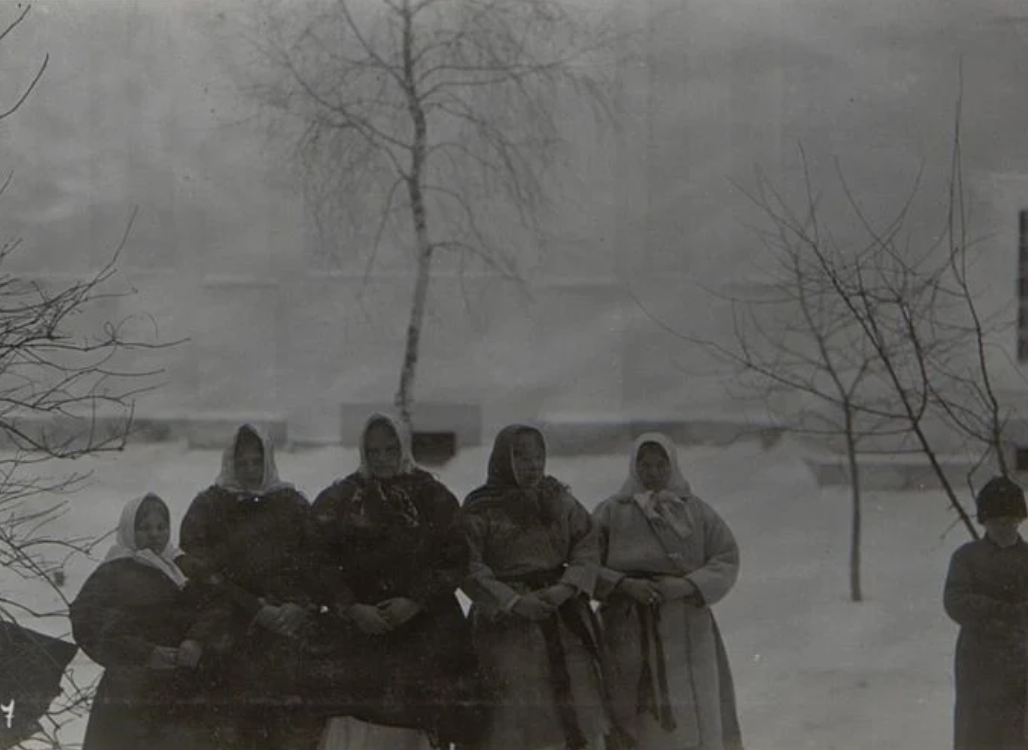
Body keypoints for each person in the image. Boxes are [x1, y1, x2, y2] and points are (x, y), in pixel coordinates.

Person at [308, 413, 481, 750]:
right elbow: (317, 560)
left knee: (417, 720)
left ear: (403, 448)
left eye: (390, 449)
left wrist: (415, 601)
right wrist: (351, 607)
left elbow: (455, 558)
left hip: (422, 631)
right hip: (359, 635)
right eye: (373, 451)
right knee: (359, 719)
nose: (382, 459)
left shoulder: (432, 496)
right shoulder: (340, 498)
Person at [462, 424, 621, 750]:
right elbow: (468, 566)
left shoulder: (558, 500)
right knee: (517, 716)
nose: (532, 465)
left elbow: (587, 546)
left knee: (577, 703)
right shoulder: (481, 507)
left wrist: (567, 587)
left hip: (562, 615)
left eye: (538, 456)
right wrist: (513, 601)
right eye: (521, 457)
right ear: (503, 460)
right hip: (506, 627)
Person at [593, 432, 743, 750]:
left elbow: (726, 558)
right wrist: (624, 585)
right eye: (645, 465)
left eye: (661, 465)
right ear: (634, 467)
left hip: (687, 623)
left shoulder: (696, 511)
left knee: (689, 706)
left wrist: (687, 585)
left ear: (672, 465)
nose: (653, 473)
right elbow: (584, 564)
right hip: (628, 622)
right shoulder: (612, 511)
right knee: (633, 706)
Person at [179, 423, 319, 750]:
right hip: (229, 633)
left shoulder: (291, 504)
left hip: (286, 635)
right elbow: (197, 566)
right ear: (231, 462)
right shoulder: (210, 506)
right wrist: (252, 606)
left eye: (257, 461)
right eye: (242, 463)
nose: (250, 470)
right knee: (232, 727)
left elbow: (316, 562)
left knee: (284, 727)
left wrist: (300, 605)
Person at [70, 493, 227, 750]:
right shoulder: (114, 571)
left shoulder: (182, 567)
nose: (155, 535)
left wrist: (196, 640)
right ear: (129, 530)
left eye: (161, 527)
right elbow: (87, 623)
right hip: (130, 695)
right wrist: (144, 653)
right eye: (144, 528)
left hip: (183, 693)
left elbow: (215, 606)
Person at [944, 475, 1028, 750]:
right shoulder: (967, 557)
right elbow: (956, 601)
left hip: (1022, 665)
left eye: (1010, 520)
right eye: (996, 521)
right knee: (978, 736)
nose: (1003, 527)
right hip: (979, 664)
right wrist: (1006, 612)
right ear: (984, 522)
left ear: (1020, 520)